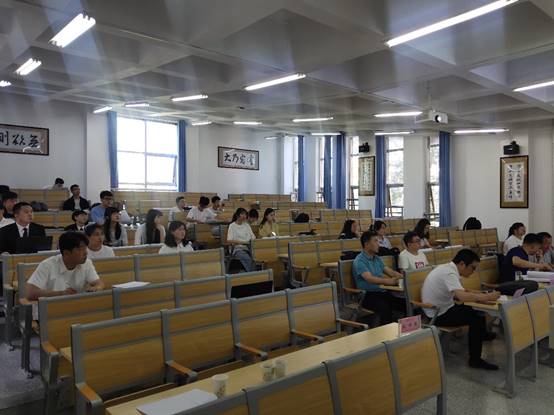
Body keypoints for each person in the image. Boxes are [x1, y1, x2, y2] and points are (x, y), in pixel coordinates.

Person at [422, 249, 500, 370]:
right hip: (437, 314)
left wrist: (482, 294)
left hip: (445, 307)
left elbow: (462, 292)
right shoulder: (449, 273)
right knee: (476, 317)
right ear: (462, 264)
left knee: (477, 311)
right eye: (473, 268)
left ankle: (481, 334)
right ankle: (475, 360)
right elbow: (462, 296)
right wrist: (488, 297)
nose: (473, 271)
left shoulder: (449, 269)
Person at [26, 232, 105, 300]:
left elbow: (99, 283)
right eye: (81, 249)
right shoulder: (47, 265)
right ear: (66, 253)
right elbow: (31, 293)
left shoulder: (86, 263)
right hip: (50, 308)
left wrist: (97, 288)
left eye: (85, 248)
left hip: (75, 307)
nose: (86, 253)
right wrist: (61, 294)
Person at [352, 231, 405, 325]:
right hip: (367, 295)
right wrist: (389, 282)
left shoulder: (377, 258)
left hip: (382, 291)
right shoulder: (359, 261)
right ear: (366, 244)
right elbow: (370, 279)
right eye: (375, 241)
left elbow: (391, 272)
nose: (379, 244)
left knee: (404, 304)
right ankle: (386, 332)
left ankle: (406, 329)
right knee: (385, 308)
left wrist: (405, 277)